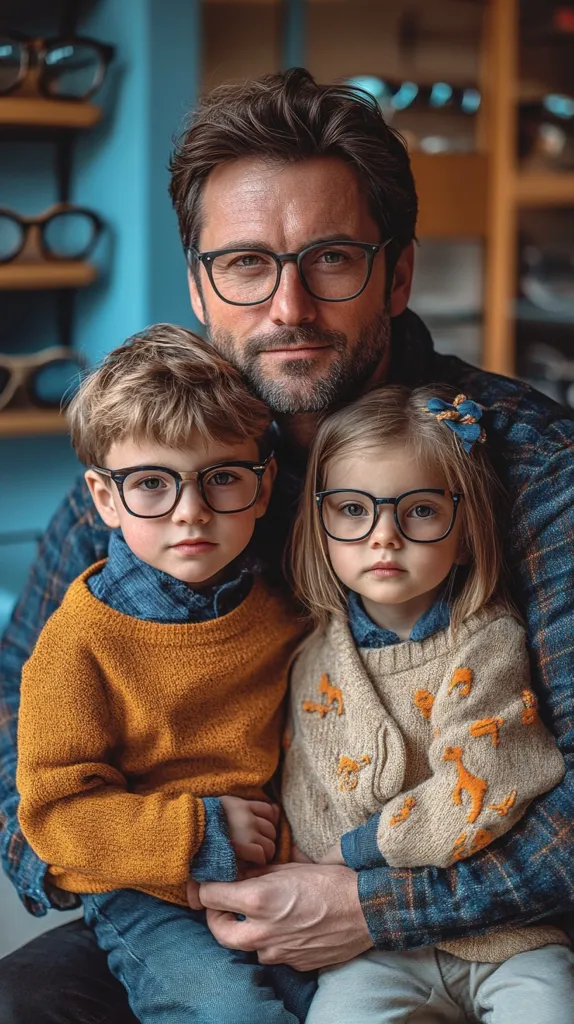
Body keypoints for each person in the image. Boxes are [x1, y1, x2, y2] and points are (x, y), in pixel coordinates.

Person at [0, 67, 573, 1023]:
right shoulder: (147, 467)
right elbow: (18, 717)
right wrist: (128, 857)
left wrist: (368, 907)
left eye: (331, 259)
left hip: (478, 908)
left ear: (397, 274)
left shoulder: (533, 467)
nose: (288, 309)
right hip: (183, 886)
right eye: (246, 263)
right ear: (199, 284)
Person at [15, 325, 315, 1024]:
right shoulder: (79, 643)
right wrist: (204, 833)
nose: (191, 512)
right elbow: (55, 816)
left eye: (222, 479)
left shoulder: (281, 606)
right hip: (144, 886)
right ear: (104, 498)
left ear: (264, 485)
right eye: (152, 484)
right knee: (231, 1014)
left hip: (276, 871)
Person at [283, 383, 573, 1022]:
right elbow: (307, 791)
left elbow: (491, 781)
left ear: (464, 530)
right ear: (320, 521)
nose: (383, 536)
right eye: (354, 511)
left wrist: (358, 853)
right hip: (374, 954)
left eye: (418, 511)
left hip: (505, 939)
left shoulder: (488, 641)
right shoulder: (311, 658)